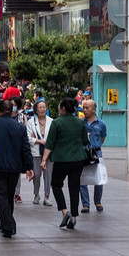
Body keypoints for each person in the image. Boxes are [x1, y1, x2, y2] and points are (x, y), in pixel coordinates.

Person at [0, 99, 34, 238]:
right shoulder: (20, 127)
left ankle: (8, 225)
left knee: (1, 197)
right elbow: (25, 148)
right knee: (8, 196)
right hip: (14, 167)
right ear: (12, 111)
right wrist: (29, 166)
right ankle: (5, 223)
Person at [42, 98, 89, 230]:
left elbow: (50, 143)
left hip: (61, 159)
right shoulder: (80, 123)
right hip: (78, 159)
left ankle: (64, 210)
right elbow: (85, 141)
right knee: (74, 187)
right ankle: (74, 216)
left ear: (63, 108)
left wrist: (44, 159)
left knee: (56, 184)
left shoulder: (57, 123)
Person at [79, 99, 106, 213]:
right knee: (82, 178)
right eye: (83, 108)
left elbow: (102, 138)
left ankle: (98, 201)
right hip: (83, 152)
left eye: (87, 108)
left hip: (96, 152)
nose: (85, 110)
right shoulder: (80, 122)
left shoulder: (101, 124)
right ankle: (85, 204)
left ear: (94, 109)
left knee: (98, 178)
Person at [26, 99, 53, 206]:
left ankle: (47, 196)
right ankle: (36, 194)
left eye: (44, 107)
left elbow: (53, 137)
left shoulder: (52, 121)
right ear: (36, 110)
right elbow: (28, 138)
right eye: (40, 107)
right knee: (36, 174)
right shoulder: (31, 122)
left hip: (49, 152)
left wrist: (44, 141)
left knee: (48, 175)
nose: (42, 109)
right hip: (36, 152)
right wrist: (39, 141)